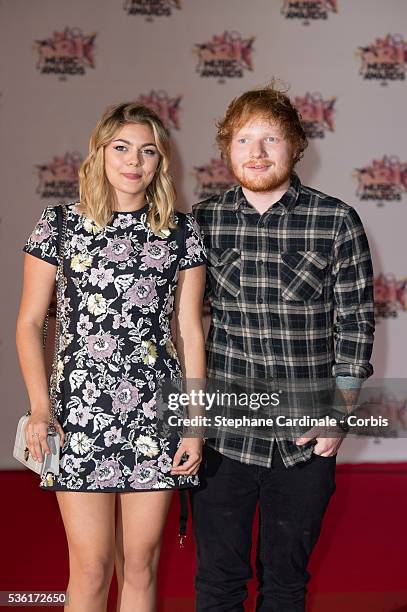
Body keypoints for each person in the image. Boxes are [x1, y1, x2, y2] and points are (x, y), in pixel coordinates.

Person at [16, 102, 206, 612]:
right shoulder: (57, 226)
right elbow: (31, 323)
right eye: (121, 148)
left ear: (161, 161)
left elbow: (189, 332)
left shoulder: (183, 234)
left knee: (141, 563)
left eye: (147, 151)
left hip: (154, 415)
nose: (133, 161)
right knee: (92, 566)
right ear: (99, 153)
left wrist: (194, 423)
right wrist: (40, 407)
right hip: (77, 414)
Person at [191, 83, 375, 611]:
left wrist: (340, 413)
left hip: (305, 438)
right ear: (227, 149)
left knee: (287, 584)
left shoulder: (336, 220)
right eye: (244, 139)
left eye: (271, 138)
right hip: (223, 438)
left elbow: (357, 323)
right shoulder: (202, 223)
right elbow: (183, 325)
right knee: (218, 583)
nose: (257, 152)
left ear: (296, 147)